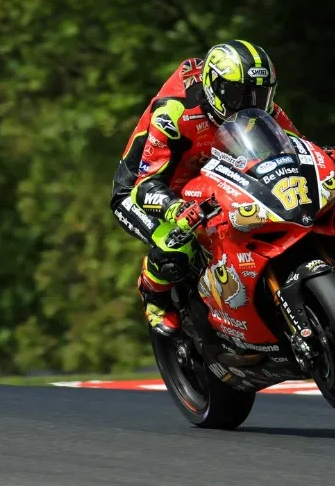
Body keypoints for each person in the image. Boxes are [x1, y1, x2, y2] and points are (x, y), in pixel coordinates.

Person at [110, 40, 301, 337]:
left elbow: (296, 150)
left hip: (209, 181)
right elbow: (146, 185)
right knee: (177, 246)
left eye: (260, 93)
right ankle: (154, 297)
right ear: (215, 87)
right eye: (240, 93)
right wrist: (174, 208)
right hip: (146, 189)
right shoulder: (174, 115)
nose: (251, 102)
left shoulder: (264, 110)